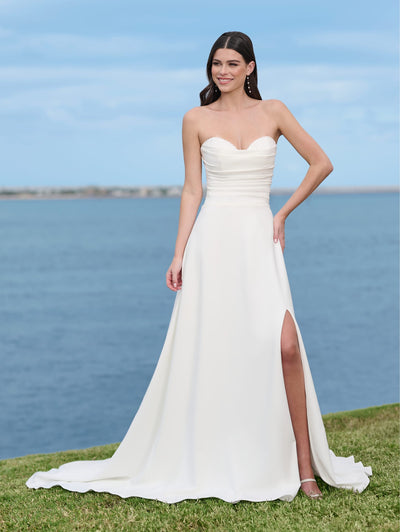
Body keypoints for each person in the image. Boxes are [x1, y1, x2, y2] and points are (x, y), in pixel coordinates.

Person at [26, 31, 371, 503]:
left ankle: (305, 469)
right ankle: (223, 455)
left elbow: (321, 162)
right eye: (216, 63)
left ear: (250, 67)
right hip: (212, 241)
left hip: (258, 237)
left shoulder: (274, 111)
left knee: (285, 344)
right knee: (215, 348)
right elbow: (192, 190)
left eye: (233, 63)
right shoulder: (195, 119)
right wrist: (178, 252)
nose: (223, 71)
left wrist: (282, 213)